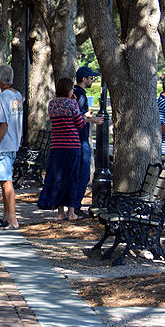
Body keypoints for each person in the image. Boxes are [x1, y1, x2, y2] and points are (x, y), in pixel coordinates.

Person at [38, 77, 86, 221]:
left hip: (56, 147)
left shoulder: (52, 104)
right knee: (72, 178)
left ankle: (60, 212)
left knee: (58, 178)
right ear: (67, 89)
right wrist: (76, 104)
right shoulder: (72, 104)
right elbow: (80, 123)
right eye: (71, 88)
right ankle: (71, 212)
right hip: (72, 146)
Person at [0, 65, 24, 230]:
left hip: (3, 145)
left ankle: (13, 219)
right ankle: (6, 217)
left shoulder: (3, 97)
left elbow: (4, 125)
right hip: (13, 143)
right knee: (4, 181)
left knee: (6, 182)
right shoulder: (17, 96)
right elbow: (9, 115)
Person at [73, 66, 104, 217]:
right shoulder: (81, 94)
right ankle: (76, 206)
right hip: (81, 139)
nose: (92, 81)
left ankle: (74, 206)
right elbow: (77, 117)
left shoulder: (75, 92)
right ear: (83, 79)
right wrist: (94, 119)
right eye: (91, 78)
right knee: (84, 175)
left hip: (77, 139)